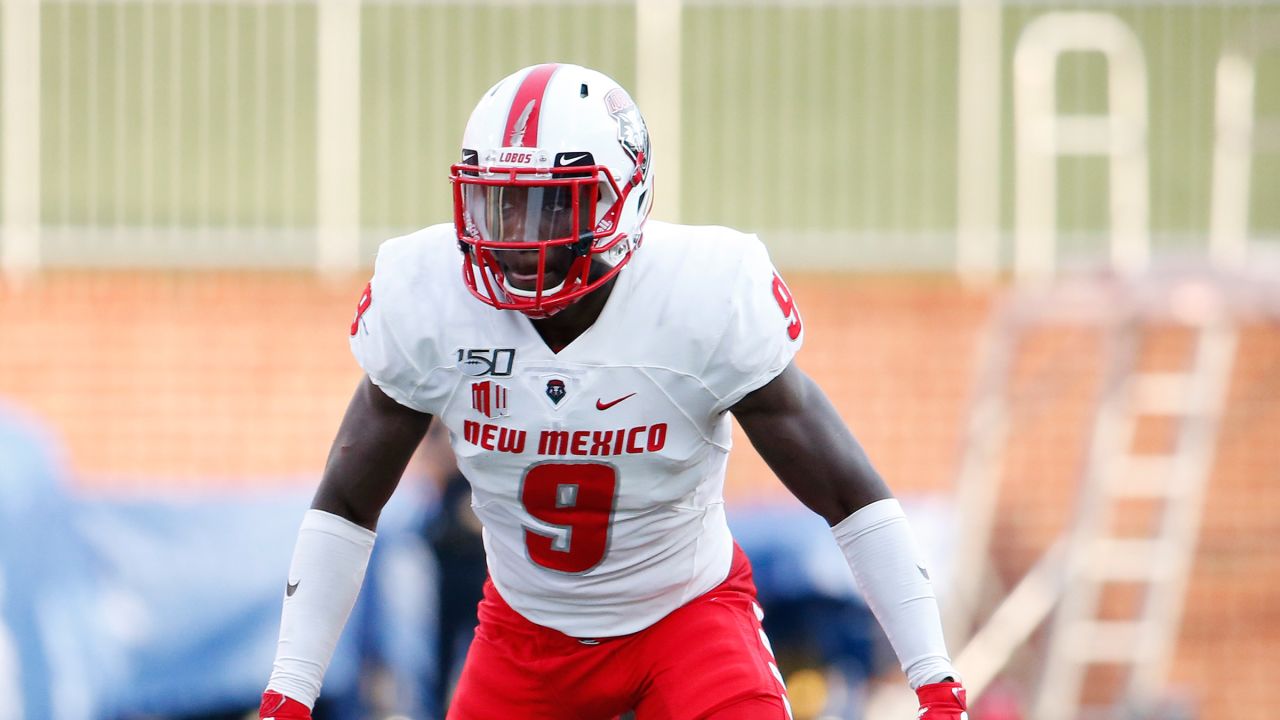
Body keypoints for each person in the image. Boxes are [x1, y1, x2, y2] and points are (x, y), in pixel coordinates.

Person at [259, 63, 968, 720]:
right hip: (524, 634)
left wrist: (934, 679)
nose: (518, 238)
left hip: (686, 618)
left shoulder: (703, 293)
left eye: (549, 209)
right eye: (500, 205)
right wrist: (288, 694)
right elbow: (349, 501)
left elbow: (848, 494)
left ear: (621, 199)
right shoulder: (430, 293)